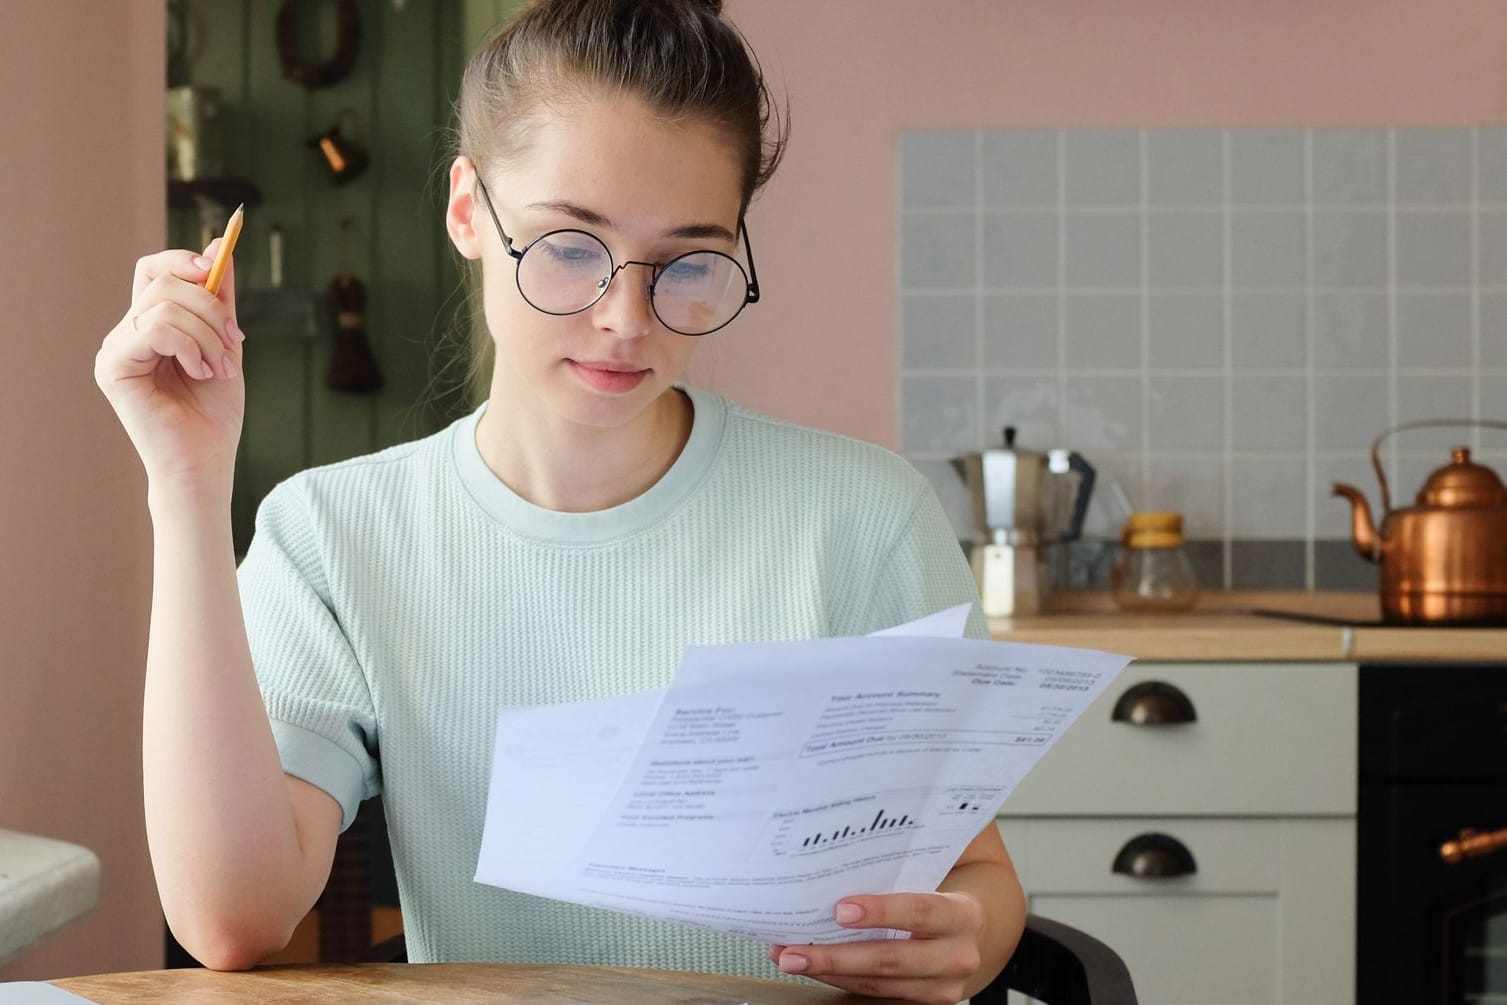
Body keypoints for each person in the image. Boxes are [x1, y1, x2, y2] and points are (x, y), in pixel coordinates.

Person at [94, 0, 1026, 999]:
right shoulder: (334, 535)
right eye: (571, 247)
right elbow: (231, 920)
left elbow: (977, 876)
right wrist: (186, 483)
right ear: (467, 213)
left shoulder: (863, 519)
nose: (626, 319)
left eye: (688, 263)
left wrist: (962, 942)